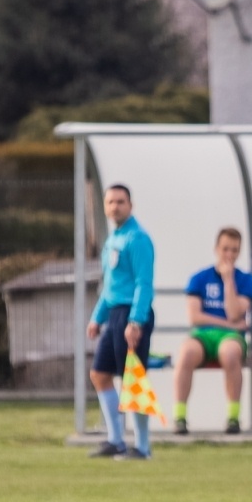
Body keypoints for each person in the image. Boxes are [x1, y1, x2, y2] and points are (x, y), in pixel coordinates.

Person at [86, 184, 156, 460]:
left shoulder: (137, 239)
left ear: (130, 205)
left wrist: (136, 321)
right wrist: (97, 317)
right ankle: (116, 440)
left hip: (131, 315)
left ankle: (142, 447)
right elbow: (110, 285)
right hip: (114, 314)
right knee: (100, 374)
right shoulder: (113, 239)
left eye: (120, 202)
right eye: (110, 202)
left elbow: (143, 283)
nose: (115, 207)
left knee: (132, 380)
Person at [173, 227, 252, 434]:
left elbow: (234, 313)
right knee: (186, 352)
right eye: (225, 249)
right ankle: (180, 416)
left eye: (234, 250)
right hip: (203, 335)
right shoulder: (199, 278)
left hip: (231, 338)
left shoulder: (246, 280)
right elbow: (195, 317)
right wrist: (229, 324)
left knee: (230, 353)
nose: (229, 255)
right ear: (216, 249)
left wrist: (228, 281)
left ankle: (233, 417)